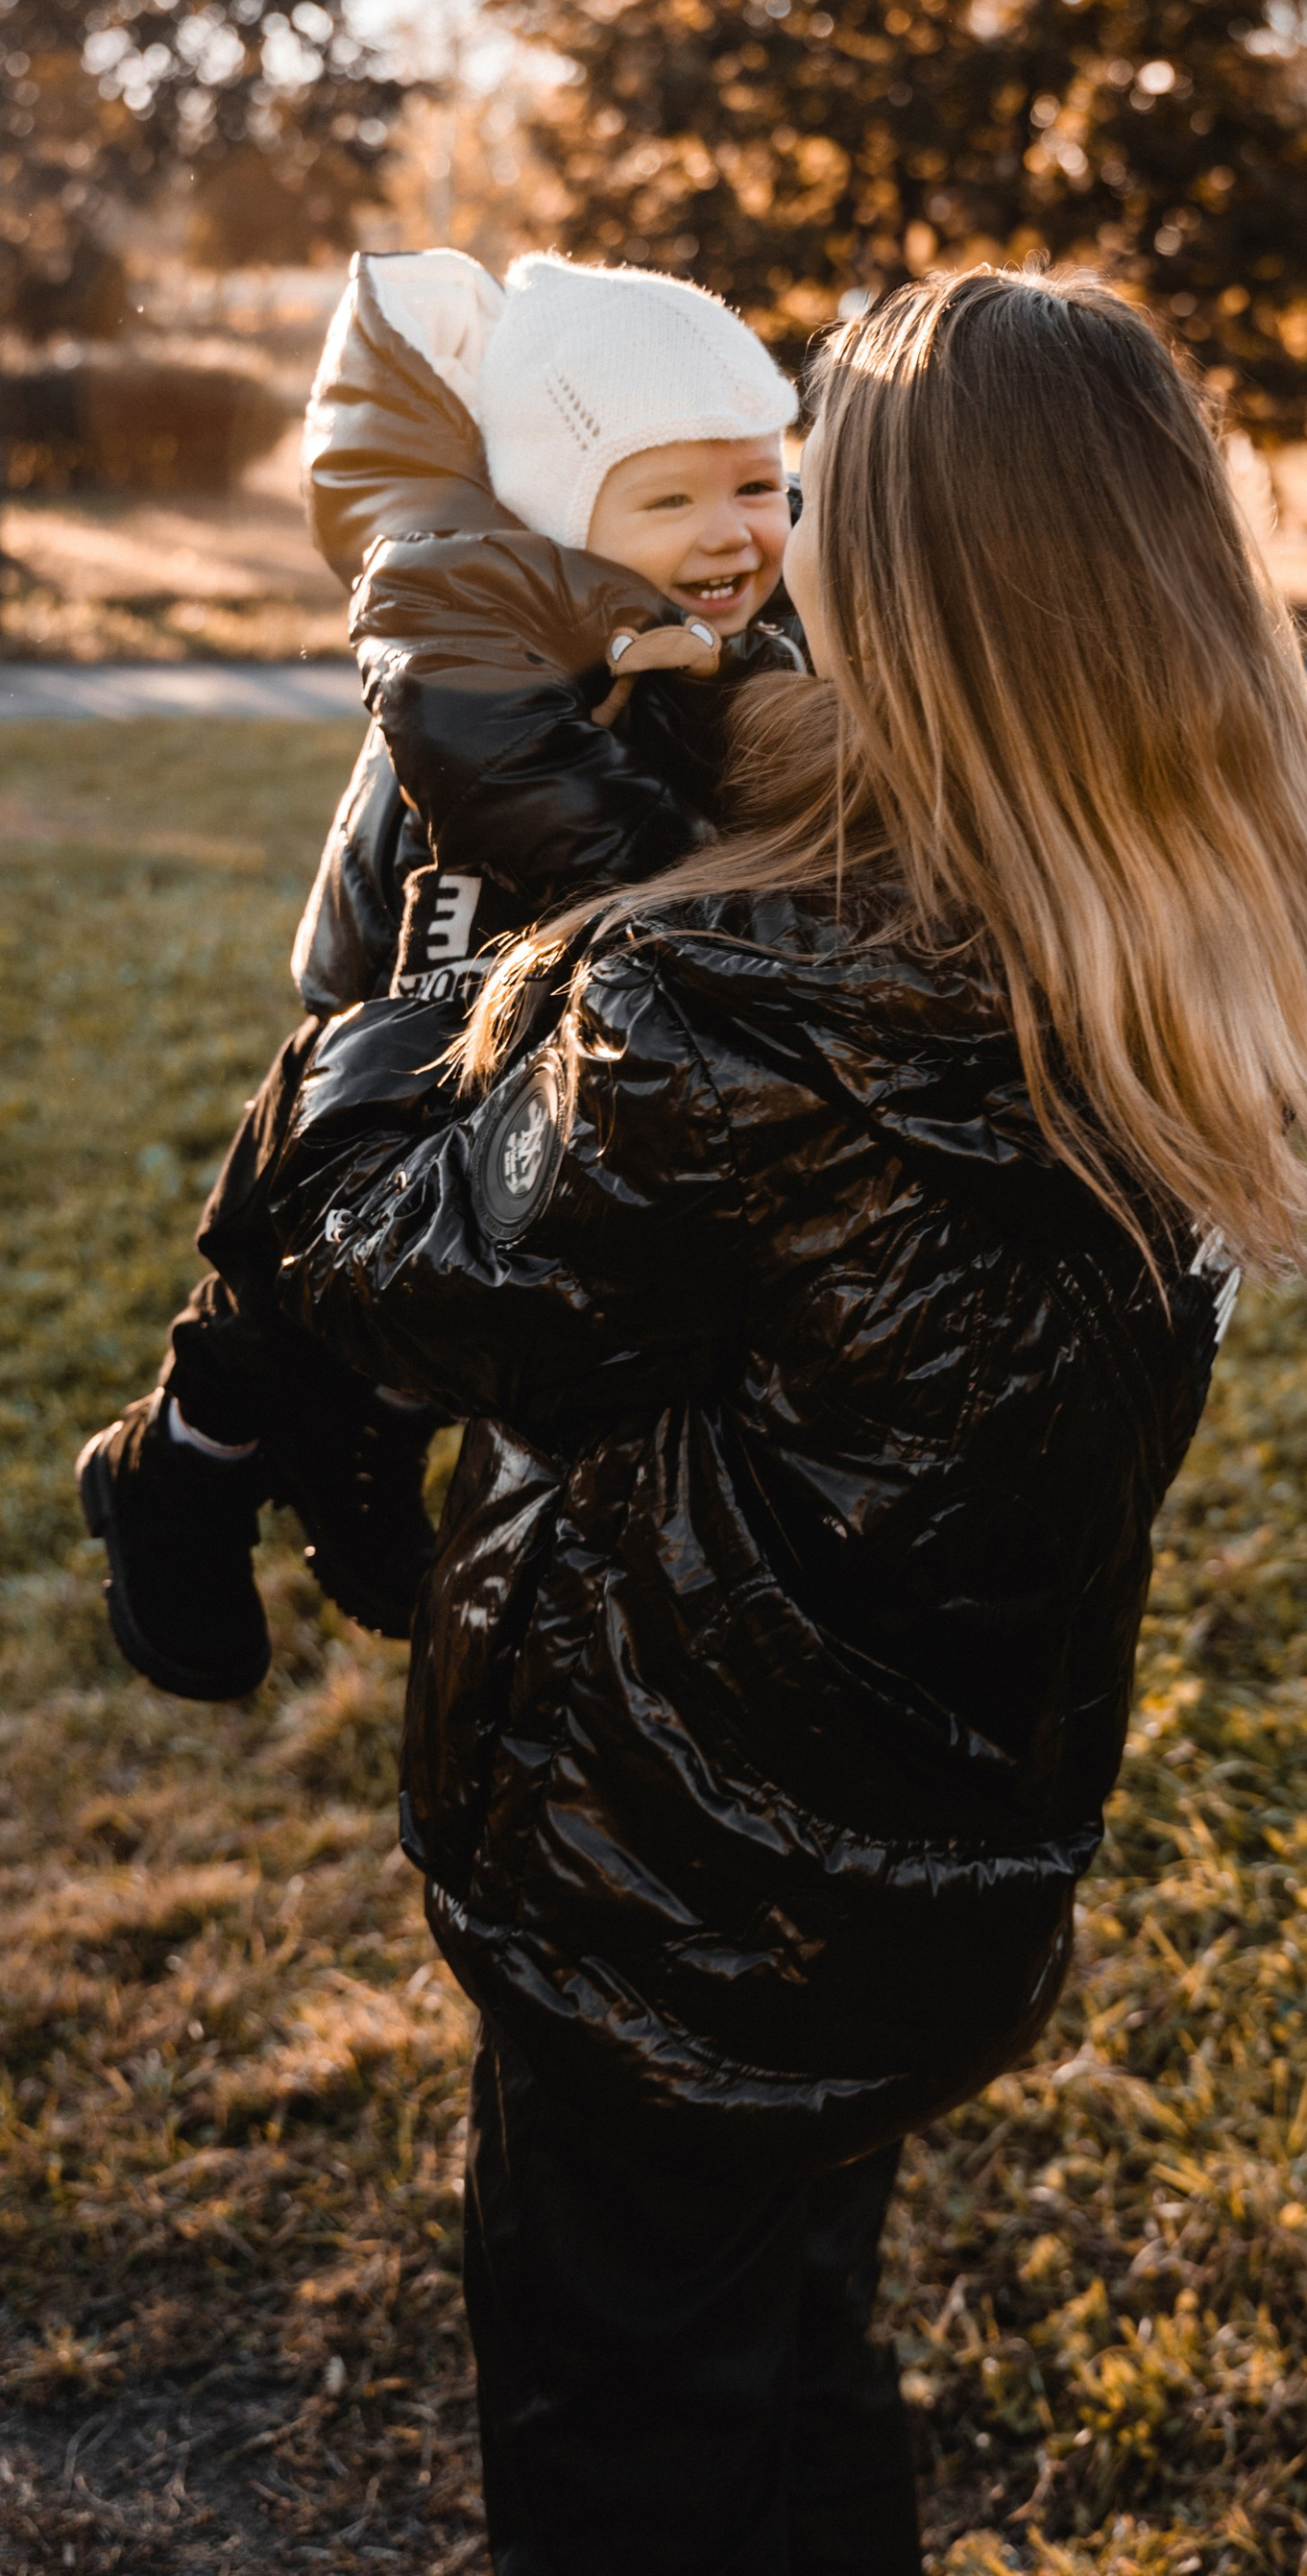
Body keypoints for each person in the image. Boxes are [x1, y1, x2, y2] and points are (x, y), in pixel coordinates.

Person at [242, 268, 1307, 2576]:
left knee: (635, 2517)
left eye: (813, 500)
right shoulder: (1170, 923)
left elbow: (376, 1266)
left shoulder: (734, 1024)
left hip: (650, 1905)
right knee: (799, 2387)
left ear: (902, 595)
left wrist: (409, 971)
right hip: (924, 1873)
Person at [79, 245, 802, 1703]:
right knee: (314, 1267)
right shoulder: (460, 602)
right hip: (412, 1001)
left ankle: (358, 1441)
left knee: (480, 1258)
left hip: (525, 994)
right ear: (553, 507)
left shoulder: (688, 615)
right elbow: (549, 801)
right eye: (670, 497)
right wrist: (691, 889)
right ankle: (182, 1471)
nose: (732, 531)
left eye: (759, 486)